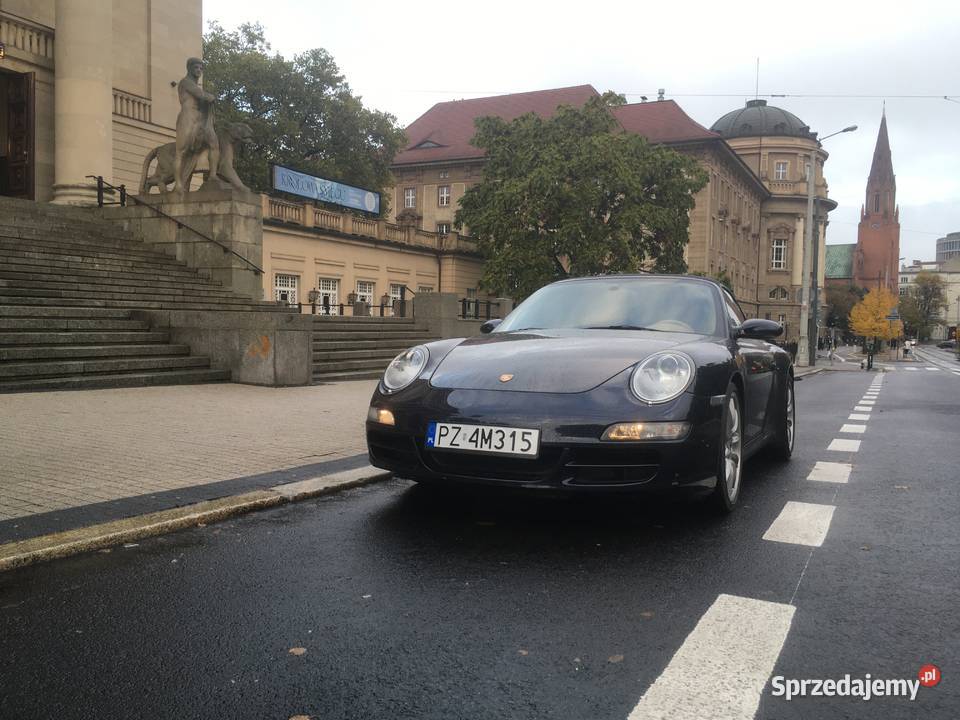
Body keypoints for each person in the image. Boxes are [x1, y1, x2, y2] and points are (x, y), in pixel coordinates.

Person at [174, 58, 220, 193]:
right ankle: (178, 184)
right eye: (196, 68)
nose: (199, 71)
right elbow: (201, 95)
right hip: (187, 119)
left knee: (214, 143)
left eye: (201, 68)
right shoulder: (185, 83)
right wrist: (210, 97)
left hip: (201, 122)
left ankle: (213, 175)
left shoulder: (194, 85)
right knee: (181, 152)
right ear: (189, 68)